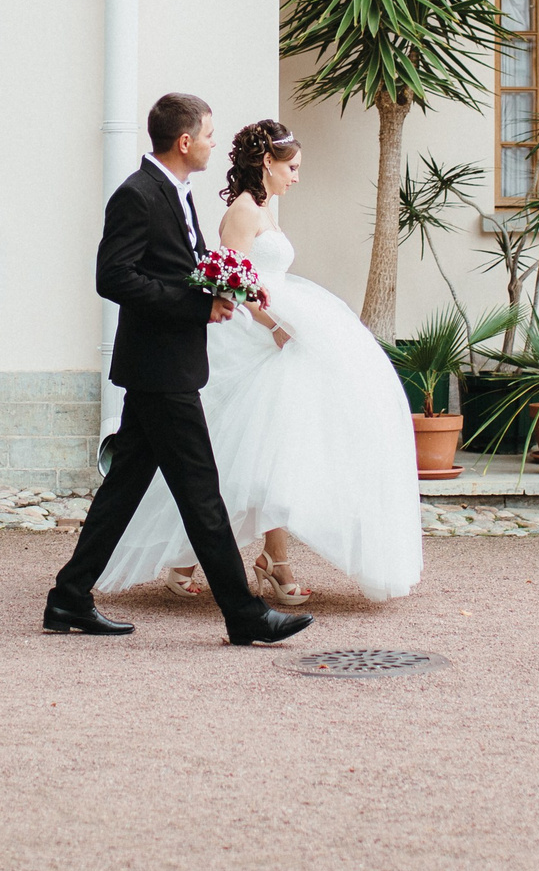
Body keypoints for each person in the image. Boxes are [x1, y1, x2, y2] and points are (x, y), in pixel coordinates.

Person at [97, 120, 423, 606]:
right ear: (267, 163)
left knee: (267, 453)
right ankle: (248, 564)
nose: (296, 176)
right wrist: (272, 324)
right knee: (242, 453)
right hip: (253, 342)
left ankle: (231, 560)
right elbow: (232, 281)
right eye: (291, 167)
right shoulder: (242, 212)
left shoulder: (267, 207)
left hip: (279, 332)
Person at [44, 94, 312, 646]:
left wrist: (216, 292)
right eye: (209, 134)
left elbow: (177, 267)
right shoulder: (137, 195)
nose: (216, 143)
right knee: (202, 494)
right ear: (185, 141)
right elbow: (112, 278)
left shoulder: (177, 192)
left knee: (123, 490)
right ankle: (245, 614)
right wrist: (195, 304)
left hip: (168, 364)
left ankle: (69, 597)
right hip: (159, 368)